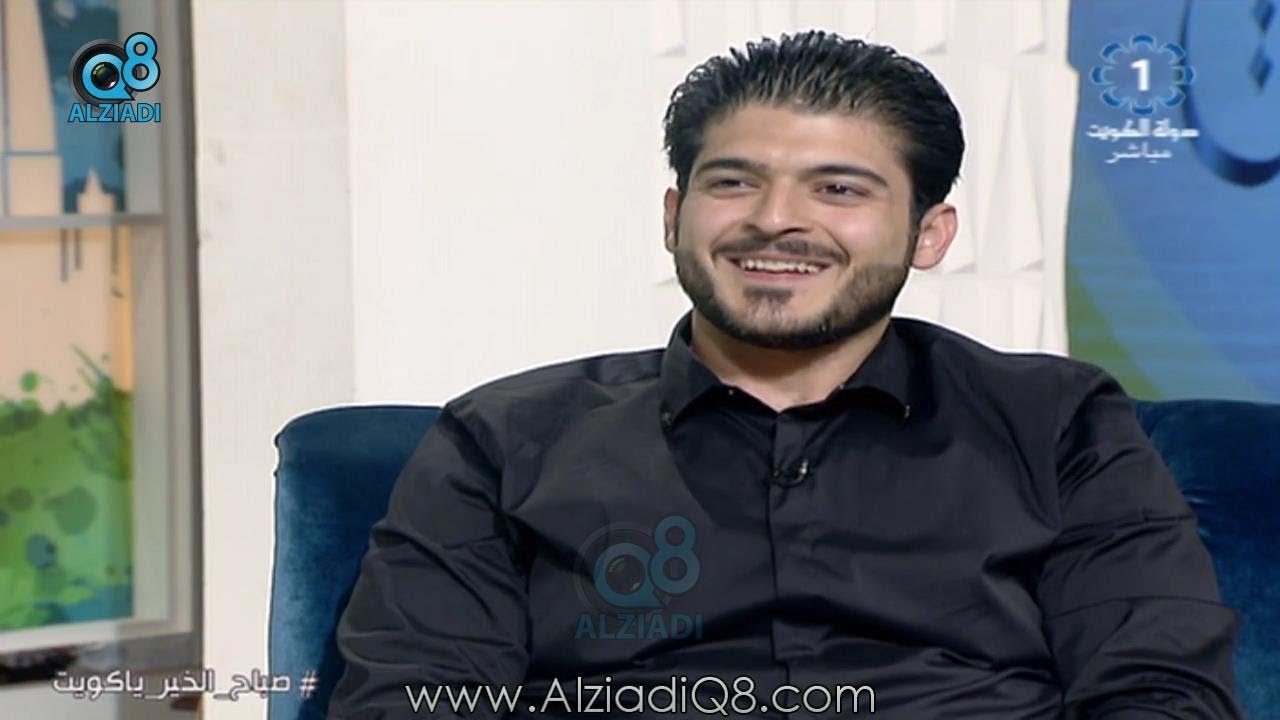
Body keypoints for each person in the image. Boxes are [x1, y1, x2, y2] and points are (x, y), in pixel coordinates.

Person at [328, 31, 1242, 719]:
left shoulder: (1057, 423)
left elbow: (1158, 691)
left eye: (839, 189)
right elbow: (411, 696)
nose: (775, 220)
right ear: (674, 216)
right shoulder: (504, 439)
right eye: (733, 183)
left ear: (929, 234)